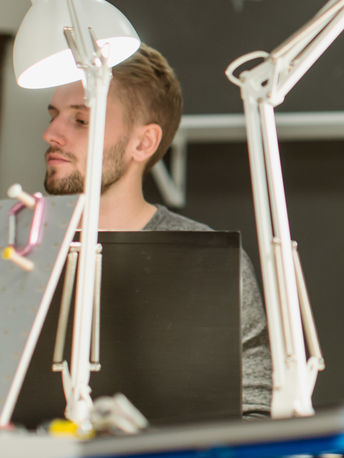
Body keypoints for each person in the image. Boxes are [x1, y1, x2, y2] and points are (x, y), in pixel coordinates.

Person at [40, 44, 272, 419]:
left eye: (80, 120)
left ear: (143, 143)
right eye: (53, 116)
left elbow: (254, 409)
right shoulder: (13, 247)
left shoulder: (207, 262)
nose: (51, 133)